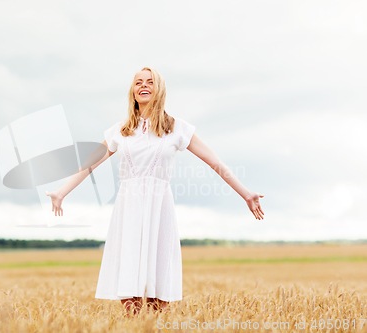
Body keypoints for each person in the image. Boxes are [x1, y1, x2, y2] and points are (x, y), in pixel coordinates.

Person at [45, 66, 265, 315]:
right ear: (133, 91)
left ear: (159, 89)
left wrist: (245, 193)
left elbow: (215, 162)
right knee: (129, 283)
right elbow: (89, 165)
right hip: (128, 209)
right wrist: (62, 192)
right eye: (138, 82)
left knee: (158, 287)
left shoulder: (176, 128)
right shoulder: (121, 130)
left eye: (150, 81)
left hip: (159, 208)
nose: (143, 85)